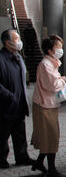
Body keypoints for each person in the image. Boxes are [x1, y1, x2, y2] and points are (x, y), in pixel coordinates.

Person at [31, 35, 66, 177]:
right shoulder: (45, 65)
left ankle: (39, 163)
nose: (60, 50)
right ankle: (51, 170)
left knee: (49, 136)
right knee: (51, 136)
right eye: (58, 47)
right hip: (44, 105)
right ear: (49, 50)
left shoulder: (52, 63)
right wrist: (63, 80)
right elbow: (52, 86)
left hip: (49, 104)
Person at [0, 30, 35, 169]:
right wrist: (9, 96)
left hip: (19, 104)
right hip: (5, 105)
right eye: (16, 38)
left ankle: (22, 157)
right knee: (2, 135)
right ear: (8, 42)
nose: (19, 41)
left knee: (20, 133)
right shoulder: (1, 58)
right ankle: (1, 160)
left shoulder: (18, 57)